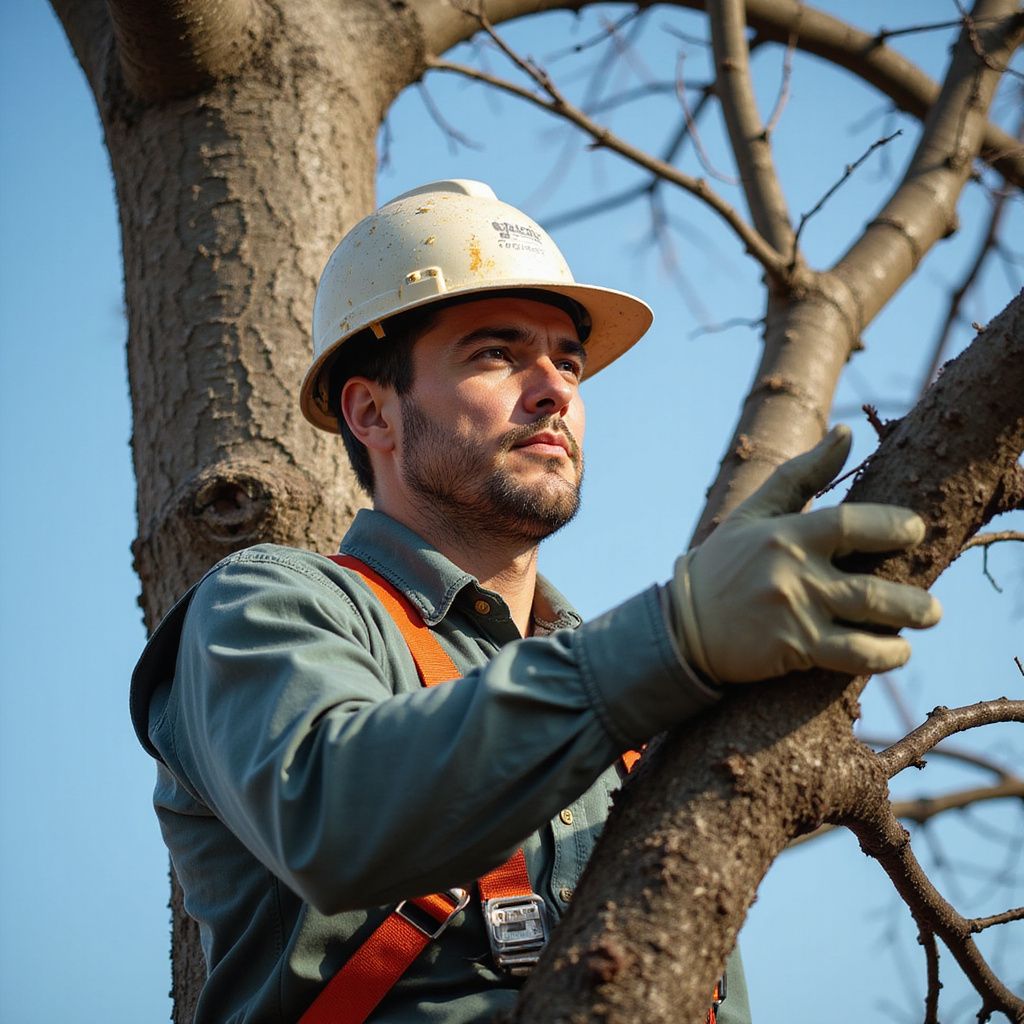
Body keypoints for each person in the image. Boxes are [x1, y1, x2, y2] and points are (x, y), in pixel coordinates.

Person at [131, 179, 942, 1023]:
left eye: (568, 362)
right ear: (372, 411)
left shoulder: (642, 701)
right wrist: (674, 640)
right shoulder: (275, 605)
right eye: (495, 353)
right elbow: (330, 816)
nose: (553, 389)